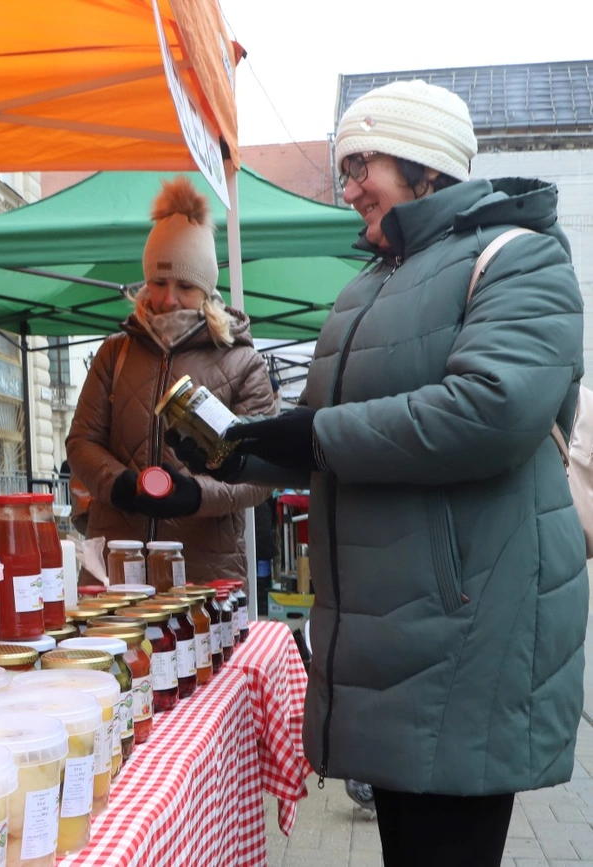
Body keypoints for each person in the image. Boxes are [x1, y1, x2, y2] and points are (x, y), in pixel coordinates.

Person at [172, 80, 586, 866]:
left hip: (468, 628)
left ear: (427, 165)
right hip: (391, 630)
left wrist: (311, 433)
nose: (350, 184)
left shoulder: (519, 256)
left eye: (365, 162)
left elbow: (489, 409)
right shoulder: (369, 286)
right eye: (346, 165)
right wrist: (239, 448)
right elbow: (332, 437)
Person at [66, 175, 275, 585]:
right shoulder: (115, 352)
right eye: (159, 283)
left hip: (204, 571)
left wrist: (197, 494)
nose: (168, 298)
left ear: (207, 290)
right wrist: (119, 484)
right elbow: (81, 442)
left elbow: (262, 474)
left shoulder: (242, 361)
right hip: (116, 568)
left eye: (185, 286)